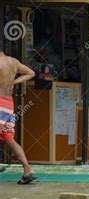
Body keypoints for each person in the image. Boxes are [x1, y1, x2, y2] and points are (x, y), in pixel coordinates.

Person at [0, 41, 36, 184]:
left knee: (9, 139)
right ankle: (27, 170)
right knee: (9, 138)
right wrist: (13, 82)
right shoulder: (13, 62)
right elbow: (31, 73)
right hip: (9, 104)